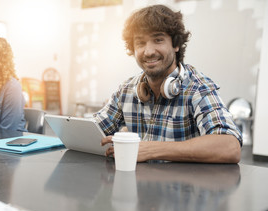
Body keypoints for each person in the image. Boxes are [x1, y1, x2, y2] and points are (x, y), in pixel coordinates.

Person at [95, 5, 242, 163]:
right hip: (136, 185)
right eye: (140, 43)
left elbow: (230, 147)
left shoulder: (198, 87)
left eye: (158, 40)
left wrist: (151, 150)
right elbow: (93, 131)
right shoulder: (126, 90)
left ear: (176, 44)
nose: (149, 51)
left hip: (182, 186)